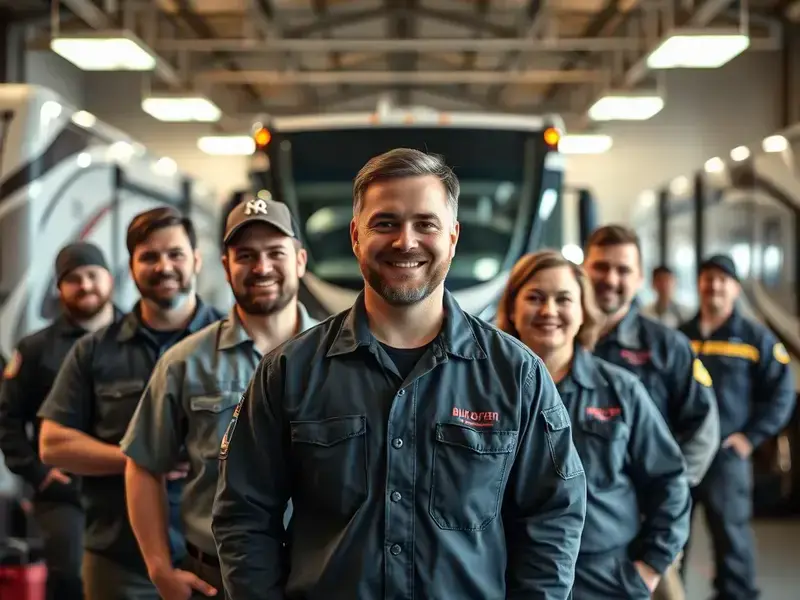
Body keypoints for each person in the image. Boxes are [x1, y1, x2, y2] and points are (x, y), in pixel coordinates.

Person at [212, 148, 588, 599]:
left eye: (425, 224)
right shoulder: (289, 372)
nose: (405, 241)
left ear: (452, 237)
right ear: (356, 236)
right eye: (385, 223)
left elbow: (553, 518)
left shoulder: (516, 374)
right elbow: (244, 517)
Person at [121, 197, 319, 600]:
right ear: (225, 266)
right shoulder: (183, 363)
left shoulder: (337, 358)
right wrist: (160, 569)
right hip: (215, 582)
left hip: (318, 579)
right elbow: (143, 465)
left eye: (274, 253)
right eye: (245, 255)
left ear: (299, 260)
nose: (261, 268)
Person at [37, 207, 223, 600]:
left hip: (218, 561)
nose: (163, 266)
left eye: (175, 254)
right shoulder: (94, 350)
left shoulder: (231, 344)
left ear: (197, 260)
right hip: (119, 563)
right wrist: (140, 458)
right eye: (149, 257)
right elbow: (52, 444)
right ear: (132, 267)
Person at [496, 249, 691, 599]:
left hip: (606, 578)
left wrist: (648, 568)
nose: (549, 311)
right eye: (535, 297)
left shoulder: (621, 390)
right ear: (512, 308)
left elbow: (669, 479)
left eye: (564, 299)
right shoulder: (487, 394)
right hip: (509, 575)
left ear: (584, 310)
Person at [582, 225, 720, 600]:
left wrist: (665, 498)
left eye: (623, 270)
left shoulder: (668, 347)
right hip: (583, 528)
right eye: (601, 267)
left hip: (649, 523)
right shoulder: (562, 338)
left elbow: (703, 430)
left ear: (640, 277)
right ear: (584, 269)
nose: (611, 279)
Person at [0, 242, 120, 600]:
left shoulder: (138, 338)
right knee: (71, 580)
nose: (84, 285)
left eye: (92, 275)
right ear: (59, 288)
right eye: (73, 279)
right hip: (64, 494)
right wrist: (39, 473)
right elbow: (7, 420)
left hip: (129, 485)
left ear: (110, 280)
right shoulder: (35, 349)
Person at [679, 254, 796, 600]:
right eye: (707, 278)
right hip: (682, 455)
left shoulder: (753, 339)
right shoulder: (679, 337)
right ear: (699, 284)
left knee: (732, 540)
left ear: (735, 288)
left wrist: (750, 438)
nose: (713, 285)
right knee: (669, 538)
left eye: (722, 279)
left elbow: (782, 393)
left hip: (726, 457)